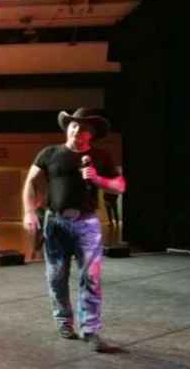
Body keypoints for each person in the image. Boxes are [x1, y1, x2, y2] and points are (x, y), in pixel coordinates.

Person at [23, 108, 125, 352]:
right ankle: (64, 321)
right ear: (68, 127)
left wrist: (98, 179)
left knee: (91, 277)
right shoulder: (50, 153)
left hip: (87, 224)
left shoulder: (100, 156)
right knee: (56, 276)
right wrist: (28, 211)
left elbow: (120, 186)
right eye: (74, 125)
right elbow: (30, 181)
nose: (77, 130)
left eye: (84, 127)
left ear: (92, 134)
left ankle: (90, 330)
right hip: (55, 224)